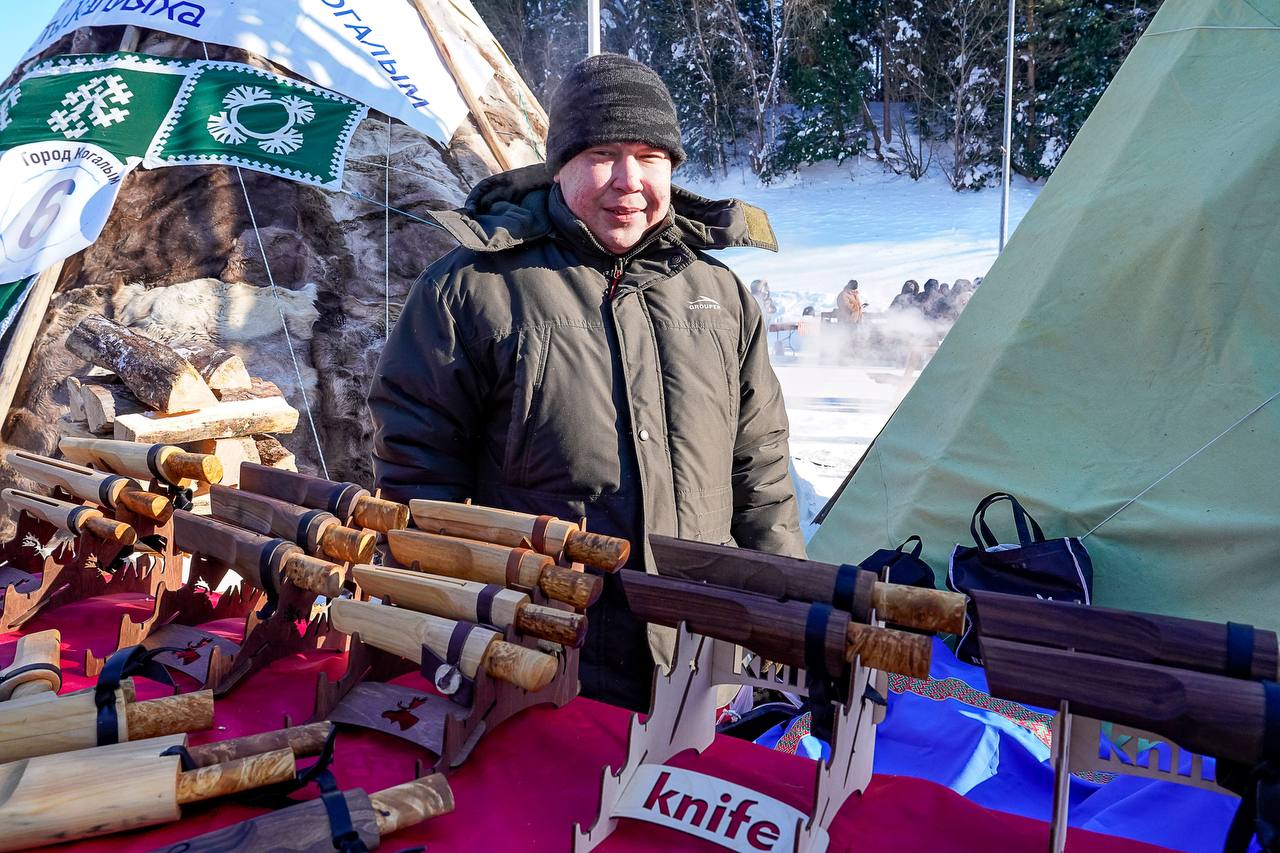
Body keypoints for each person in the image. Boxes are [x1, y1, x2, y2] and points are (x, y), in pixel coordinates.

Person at [367, 54, 804, 712]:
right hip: (539, 661)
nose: (629, 180)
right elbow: (418, 476)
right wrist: (445, 634)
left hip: (696, 661)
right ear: (560, 164)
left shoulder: (720, 295)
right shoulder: (471, 290)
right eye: (604, 154)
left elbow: (761, 470)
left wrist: (787, 615)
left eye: (650, 156)